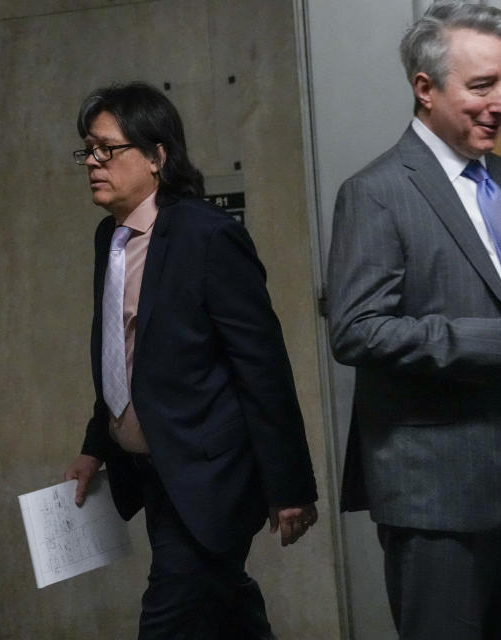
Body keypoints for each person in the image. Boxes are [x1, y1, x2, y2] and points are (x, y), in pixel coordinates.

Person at [327, 3, 501, 638]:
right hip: (435, 493)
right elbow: (357, 330)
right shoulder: (375, 192)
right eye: (481, 85)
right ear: (424, 89)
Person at [63, 81, 318, 639]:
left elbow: (263, 367)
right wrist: (95, 444)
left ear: (156, 157)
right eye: (89, 149)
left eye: (109, 149)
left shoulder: (208, 237)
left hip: (209, 475)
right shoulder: (109, 237)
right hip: (152, 474)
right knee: (228, 611)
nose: (93, 163)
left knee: (171, 620)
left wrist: (290, 485)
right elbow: (122, 355)